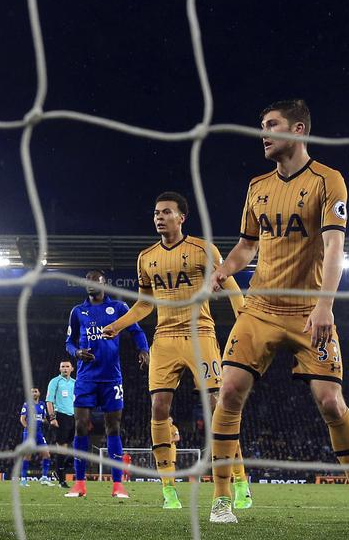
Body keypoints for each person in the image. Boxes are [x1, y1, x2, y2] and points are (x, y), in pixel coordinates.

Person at [206, 99, 349, 525]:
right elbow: (248, 245)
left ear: (299, 129)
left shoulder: (329, 181)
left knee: (331, 403)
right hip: (260, 307)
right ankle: (221, 499)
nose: (264, 133)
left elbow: (334, 246)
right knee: (229, 391)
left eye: (272, 125)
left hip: (310, 310)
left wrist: (325, 305)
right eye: (261, 125)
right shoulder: (257, 186)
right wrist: (223, 271)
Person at [101, 191, 250, 510]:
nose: (159, 217)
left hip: (201, 333)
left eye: (166, 212)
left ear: (182, 217)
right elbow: (144, 303)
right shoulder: (146, 257)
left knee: (217, 407)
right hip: (165, 338)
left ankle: (239, 480)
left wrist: (244, 320)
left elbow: (231, 286)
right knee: (158, 408)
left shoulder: (202, 250)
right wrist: (119, 325)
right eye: (156, 212)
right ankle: (168, 490)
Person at [63, 271, 149, 499]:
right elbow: (69, 342)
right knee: (80, 426)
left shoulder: (119, 308)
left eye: (95, 281)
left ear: (104, 284)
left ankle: (118, 485)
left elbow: (136, 330)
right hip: (85, 379)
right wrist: (77, 352)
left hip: (112, 378)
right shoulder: (77, 312)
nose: (91, 284)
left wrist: (143, 350)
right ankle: (79, 483)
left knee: (114, 427)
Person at [45, 359, 75, 487]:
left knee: (76, 448)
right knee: (62, 448)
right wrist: (52, 418)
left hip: (73, 417)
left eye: (67, 366)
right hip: (60, 416)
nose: (65, 369)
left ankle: (59, 470)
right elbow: (49, 401)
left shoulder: (75, 383)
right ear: (59, 369)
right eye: (62, 366)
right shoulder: (55, 382)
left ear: (71, 369)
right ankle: (61, 479)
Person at [18, 387, 53, 487]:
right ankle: (23, 480)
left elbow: (44, 419)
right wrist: (27, 427)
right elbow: (22, 419)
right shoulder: (27, 404)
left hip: (39, 433)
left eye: (35, 391)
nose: (34, 393)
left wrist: (45, 420)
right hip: (29, 434)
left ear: (39, 393)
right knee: (28, 455)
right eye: (32, 392)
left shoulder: (42, 405)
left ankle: (44, 478)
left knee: (47, 454)